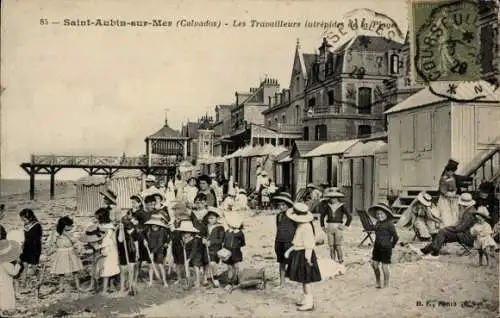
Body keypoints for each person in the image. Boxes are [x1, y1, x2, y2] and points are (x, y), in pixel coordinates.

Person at [413, 193, 477, 259]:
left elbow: (460, 228)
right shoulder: (470, 209)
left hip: (466, 236)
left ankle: (433, 253)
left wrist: (448, 228)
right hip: (464, 233)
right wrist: (450, 227)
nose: (460, 205)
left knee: (442, 232)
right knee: (442, 234)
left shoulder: (469, 214)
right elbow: (461, 226)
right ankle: (425, 250)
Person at [283, 202, 322, 312]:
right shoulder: (301, 226)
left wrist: (308, 259)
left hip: (305, 255)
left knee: (306, 279)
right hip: (299, 252)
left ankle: (309, 302)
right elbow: (297, 243)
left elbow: (309, 245)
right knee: (303, 279)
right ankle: (306, 299)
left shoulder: (306, 227)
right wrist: (289, 251)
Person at [368, 203, 399, 289]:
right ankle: (378, 281)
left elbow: (396, 237)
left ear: (386, 214)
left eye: (381, 214)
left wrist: (391, 245)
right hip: (377, 247)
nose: (379, 215)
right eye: (378, 214)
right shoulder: (377, 223)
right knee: (374, 264)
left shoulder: (390, 224)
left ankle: (386, 283)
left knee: (384, 266)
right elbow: (377, 233)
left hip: (386, 248)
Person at [49, 216, 83, 292]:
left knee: (75, 269)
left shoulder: (71, 233)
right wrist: (50, 251)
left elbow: (75, 241)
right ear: (64, 226)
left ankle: (78, 286)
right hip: (61, 252)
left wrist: (68, 235)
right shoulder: (56, 233)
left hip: (71, 252)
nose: (71, 227)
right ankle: (61, 287)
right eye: (69, 226)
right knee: (61, 271)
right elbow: (53, 243)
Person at [319, 190, 352, 263]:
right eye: (331, 197)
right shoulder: (327, 206)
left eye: (334, 197)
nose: (332, 199)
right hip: (330, 226)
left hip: (338, 227)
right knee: (331, 246)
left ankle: (340, 260)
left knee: (338, 245)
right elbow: (322, 216)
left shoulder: (342, 205)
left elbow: (349, 217)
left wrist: (345, 226)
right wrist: (322, 226)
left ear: (337, 198)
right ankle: (332, 261)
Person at [94, 207, 120, 295]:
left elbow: (114, 239)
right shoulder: (100, 226)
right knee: (103, 267)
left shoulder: (110, 226)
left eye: (97, 217)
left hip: (109, 248)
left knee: (107, 268)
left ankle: (105, 290)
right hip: (102, 247)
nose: (96, 219)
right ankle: (106, 287)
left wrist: (117, 250)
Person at [272, 192, 295, 288]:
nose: (281, 207)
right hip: (280, 241)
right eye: (279, 205)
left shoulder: (294, 216)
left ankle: (296, 279)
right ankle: (282, 282)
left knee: (293, 261)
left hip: (290, 242)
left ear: (288, 206)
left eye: (283, 205)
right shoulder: (279, 216)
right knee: (281, 262)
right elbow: (278, 228)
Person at [116, 215, 141, 295]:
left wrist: (137, 252)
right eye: (126, 223)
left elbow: (136, 242)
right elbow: (120, 240)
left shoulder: (135, 230)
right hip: (123, 252)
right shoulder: (121, 230)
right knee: (123, 272)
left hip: (132, 252)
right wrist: (120, 229)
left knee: (131, 271)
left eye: (129, 223)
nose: (128, 225)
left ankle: (130, 286)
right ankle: (122, 288)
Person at [144, 214, 171, 287]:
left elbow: (160, 243)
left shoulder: (161, 231)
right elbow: (142, 234)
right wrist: (144, 240)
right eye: (153, 224)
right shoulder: (148, 229)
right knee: (150, 266)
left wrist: (153, 252)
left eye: (156, 224)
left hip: (159, 250)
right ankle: (150, 282)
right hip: (150, 249)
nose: (154, 226)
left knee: (160, 265)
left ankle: (165, 282)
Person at [175, 220, 204, 288]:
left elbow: (194, 251)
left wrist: (188, 260)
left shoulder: (195, 240)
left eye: (188, 232)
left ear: (191, 232)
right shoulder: (181, 238)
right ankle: (188, 281)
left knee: (195, 266)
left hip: (197, 254)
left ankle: (198, 281)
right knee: (186, 266)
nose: (186, 234)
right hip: (188, 253)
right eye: (184, 232)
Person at [19, 209, 42, 289]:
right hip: (26, 248)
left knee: (33, 266)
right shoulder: (25, 226)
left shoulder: (37, 225)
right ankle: (24, 282)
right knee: (24, 265)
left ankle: (33, 282)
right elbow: (25, 238)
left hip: (34, 248)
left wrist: (35, 251)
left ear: (30, 217)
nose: (23, 220)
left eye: (24, 219)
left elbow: (37, 239)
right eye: (22, 219)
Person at [201, 207, 225, 287]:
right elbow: (204, 235)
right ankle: (205, 278)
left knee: (213, 263)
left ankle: (215, 277)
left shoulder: (220, 227)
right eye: (209, 218)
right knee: (206, 263)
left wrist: (211, 242)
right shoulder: (206, 226)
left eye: (212, 218)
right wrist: (204, 239)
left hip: (215, 248)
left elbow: (221, 240)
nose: (210, 220)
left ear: (216, 218)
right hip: (206, 247)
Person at [222, 213, 246, 289]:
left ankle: (235, 281)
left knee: (236, 266)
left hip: (236, 252)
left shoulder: (239, 233)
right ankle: (229, 282)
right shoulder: (227, 232)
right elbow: (224, 241)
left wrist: (236, 246)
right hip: (227, 252)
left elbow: (243, 243)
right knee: (229, 267)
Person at [0, 239, 23, 316]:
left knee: (2, 295)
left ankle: (3, 308)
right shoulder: (6, 263)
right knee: (7, 295)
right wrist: (18, 264)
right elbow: (14, 272)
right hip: (6, 282)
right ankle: (7, 309)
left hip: (1, 281)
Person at [436, 160, 460, 227]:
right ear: (447, 171)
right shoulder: (443, 179)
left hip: (452, 198)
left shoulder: (452, 178)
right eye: (451, 172)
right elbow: (443, 191)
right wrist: (451, 195)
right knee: (446, 215)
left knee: (454, 214)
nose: (452, 173)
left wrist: (454, 193)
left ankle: (453, 228)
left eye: (452, 172)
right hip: (445, 199)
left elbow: (455, 188)